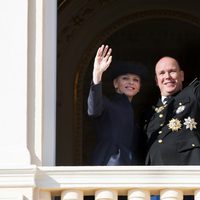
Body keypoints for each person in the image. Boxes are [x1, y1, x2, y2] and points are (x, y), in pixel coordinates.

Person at [87, 44, 146, 166]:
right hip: (109, 163)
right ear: (115, 84)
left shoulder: (136, 113)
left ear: (139, 87)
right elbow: (93, 109)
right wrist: (97, 75)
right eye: (125, 78)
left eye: (136, 80)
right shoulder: (107, 104)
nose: (131, 82)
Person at [144, 56, 200, 165]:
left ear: (182, 75)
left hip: (188, 170)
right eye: (162, 73)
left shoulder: (193, 93)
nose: (167, 76)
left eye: (172, 71)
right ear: (156, 80)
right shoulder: (148, 113)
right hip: (155, 175)